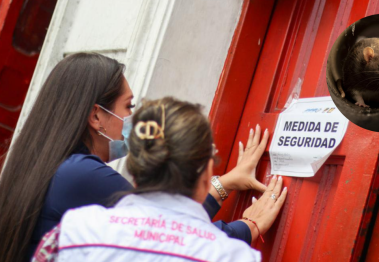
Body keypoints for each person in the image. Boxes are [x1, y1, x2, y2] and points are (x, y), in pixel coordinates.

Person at [0, 53, 274, 262]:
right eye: (128, 106)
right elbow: (168, 236)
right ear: (96, 116)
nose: (134, 120)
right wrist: (248, 226)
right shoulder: (80, 174)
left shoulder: (60, 170)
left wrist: (222, 185)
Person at [32, 97, 287, 262]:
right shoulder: (235, 256)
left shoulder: (73, 231)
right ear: (207, 172)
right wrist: (248, 225)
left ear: (135, 168)